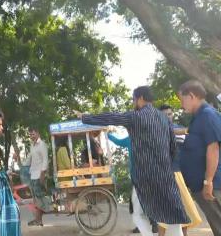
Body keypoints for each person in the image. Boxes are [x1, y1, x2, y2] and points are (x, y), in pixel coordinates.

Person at [75, 86, 189, 236]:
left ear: (140, 98)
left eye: (134, 99)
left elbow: (111, 117)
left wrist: (85, 117)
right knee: (173, 216)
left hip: (144, 177)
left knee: (137, 213)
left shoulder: (135, 117)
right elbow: (173, 147)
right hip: (166, 176)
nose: (133, 102)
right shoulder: (163, 118)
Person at [177, 80, 221, 236]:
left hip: (213, 185)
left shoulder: (207, 115)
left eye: (182, 100)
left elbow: (213, 148)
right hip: (203, 185)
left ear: (191, 96)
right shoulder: (198, 118)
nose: (182, 105)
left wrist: (208, 181)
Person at [158, 104, 202, 236]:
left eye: (170, 114)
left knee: (184, 208)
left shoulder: (180, 129)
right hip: (164, 175)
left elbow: (190, 150)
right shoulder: (156, 130)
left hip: (179, 174)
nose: (168, 117)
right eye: (164, 115)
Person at [27, 127, 52, 226]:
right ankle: (38, 219)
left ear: (37, 133)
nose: (31, 136)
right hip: (33, 175)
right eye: (30, 135)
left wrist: (42, 174)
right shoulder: (32, 146)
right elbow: (29, 160)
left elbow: (45, 160)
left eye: (33, 134)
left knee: (39, 198)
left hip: (39, 175)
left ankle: (39, 217)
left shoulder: (42, 145)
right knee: (36, 199)